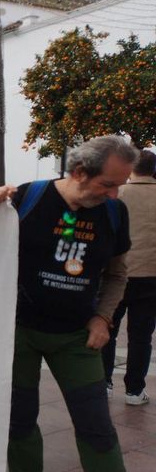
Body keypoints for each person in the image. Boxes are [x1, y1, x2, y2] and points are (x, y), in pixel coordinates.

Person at [0, 135, 137, 472]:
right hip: (18, 335)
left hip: (77, 337)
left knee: (96, 426)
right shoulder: (28, 197)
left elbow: (117, 274)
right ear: (81, 172)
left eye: (120, 186)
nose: (114, 193)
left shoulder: (114, 212)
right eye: (108, 184)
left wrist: (102, 317)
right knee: (19, 423)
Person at [102, 149, 156, 405]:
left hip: (117, 274)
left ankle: (104, 384)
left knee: (107, 330)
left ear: (132, 168)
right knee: (141, 336)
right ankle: (135, 390)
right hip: (151, 275)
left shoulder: (117, 194)